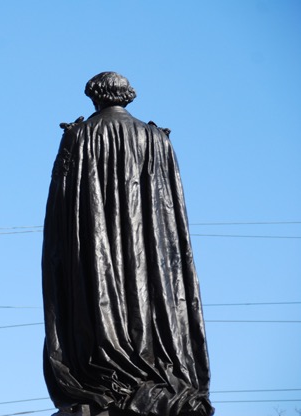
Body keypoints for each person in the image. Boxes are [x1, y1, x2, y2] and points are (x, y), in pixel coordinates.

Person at [41, 72, 214, 416]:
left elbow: (61, 204)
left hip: (94, 248)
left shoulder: (80, 135)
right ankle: (151, 363)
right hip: (152, 257)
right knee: (151, 303)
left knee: (94, 307)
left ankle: (109, 369)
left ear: (94, 97)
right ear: (127, 96)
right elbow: (171, 208)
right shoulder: (158, 139)